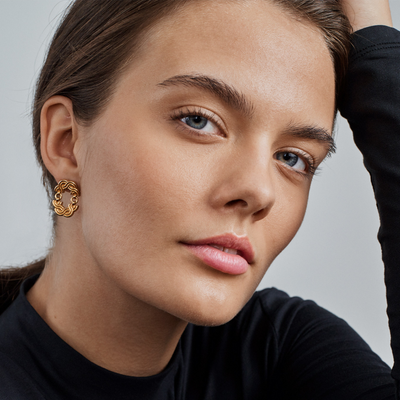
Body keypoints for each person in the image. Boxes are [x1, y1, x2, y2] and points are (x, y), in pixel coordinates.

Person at [0, 0, 398, 398]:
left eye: (292, 158)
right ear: (66, 142)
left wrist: (377, 49)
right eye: (199, 120)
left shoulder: (279, 348)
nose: (259, 192)